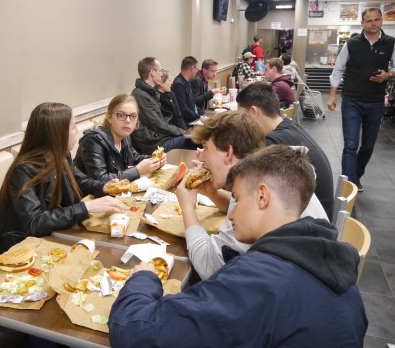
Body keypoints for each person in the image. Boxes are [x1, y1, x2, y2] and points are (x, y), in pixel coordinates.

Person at [109, 145, 367, 348]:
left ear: (262, 196)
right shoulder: (340, 276)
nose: (231, 214)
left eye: (237, 198)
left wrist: (144, 279)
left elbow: (135, 333)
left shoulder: (254, 283)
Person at [176, 110, 328, 280]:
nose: (200, 156)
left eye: (205, 147)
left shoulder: (256, 189)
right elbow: (237, 206)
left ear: (228, 153)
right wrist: (212, 193)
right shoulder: (273, 171)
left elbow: (209, 267)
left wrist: (187, 207)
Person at [0, 102, 128, 254]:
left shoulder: (62, 155)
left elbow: (81, 182)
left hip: (52, 233)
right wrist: (86, 207)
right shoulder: (24, 170)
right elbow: (34, 223)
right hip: (21, 245)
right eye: (73, 127)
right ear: (57, 134)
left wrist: (104, 187)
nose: (77, 131)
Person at [237, 82, 334, 219]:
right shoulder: (289, 126)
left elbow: (250, 194)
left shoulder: (273, 143)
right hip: (319, 216)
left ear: (253, 112)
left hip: (308, 222)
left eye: (242, 116)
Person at [328, 7, 395, 192]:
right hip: (352, 100)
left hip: (376, 101)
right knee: (350, 144)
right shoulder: (352, 43)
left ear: (382, 21)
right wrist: (332, 95)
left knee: (368, 145)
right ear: (362, 23)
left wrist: (388, 75)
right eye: (369, 20)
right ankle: (349, 185)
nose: (373, 23)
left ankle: (356, 175)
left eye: (377, 20)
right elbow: (338, 69)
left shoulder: (391, 43)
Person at [74, 94, 165, 182]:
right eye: (121, 115)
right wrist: (137, 171)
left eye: (133, 116)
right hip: (89, 193)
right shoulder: (93, 141)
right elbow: (101, 180)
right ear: (109, 118)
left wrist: (155, 160)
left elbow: (134, 157)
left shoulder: (125, 136)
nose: (128, 120)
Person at [130, 57, 197, 154]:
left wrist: (182, 131)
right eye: (159, 71)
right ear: (153, 72)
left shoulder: (149, 93)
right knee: (194, 141)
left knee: (196, 138)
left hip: (160, 138)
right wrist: (181, 131)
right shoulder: (140, 95)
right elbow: (157, 124)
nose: (161, 74)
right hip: (154, 143)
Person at [171, 56, 200, 124]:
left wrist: (202, 114)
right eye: (196, 68)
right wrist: (198, 117)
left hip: (193, 119)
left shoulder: (186, 82)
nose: (197, 71)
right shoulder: (178, 84)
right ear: (192, 68)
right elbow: (183, 109)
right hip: (187, 123)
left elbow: (192, 104)